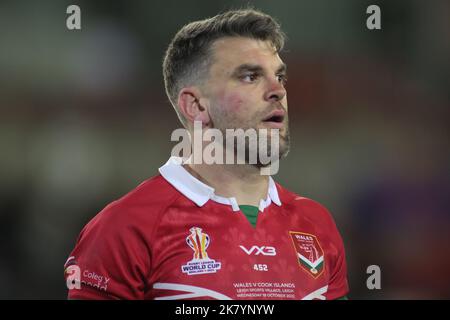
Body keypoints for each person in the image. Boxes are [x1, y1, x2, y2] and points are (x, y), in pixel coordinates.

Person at [64, 8, 349, 300]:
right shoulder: (125, 228)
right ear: (196, 106)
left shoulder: (316, 223)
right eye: (250, 76)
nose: (277, 90)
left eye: (280, 76)